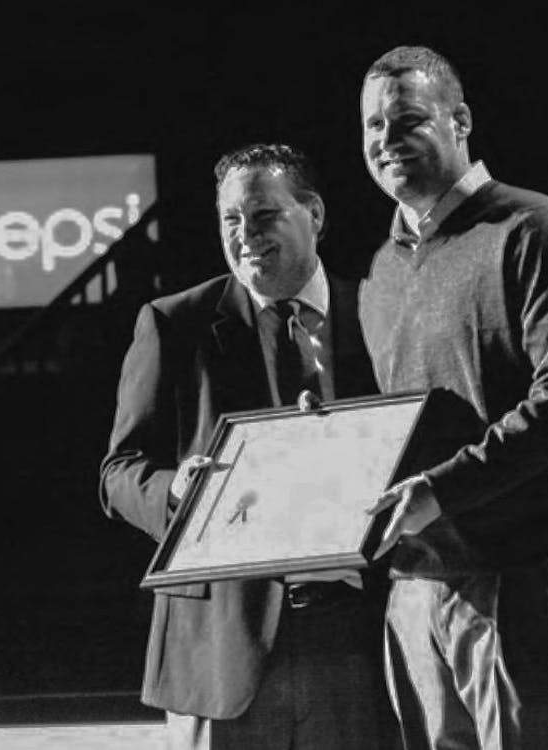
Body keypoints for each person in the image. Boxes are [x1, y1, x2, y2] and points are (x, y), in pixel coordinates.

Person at [358, 46, 548, 749]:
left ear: (460, 119)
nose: (387, 140)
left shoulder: (533, 230)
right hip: (418, 587)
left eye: (407, 120)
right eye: (373, 127)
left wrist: (437, 492)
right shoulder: (380, 271)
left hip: (529, 579)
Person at [100, 143, 396, 749]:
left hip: (355, 640)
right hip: (218, 646)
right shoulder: (173, 323)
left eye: (262, 216)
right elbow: (117, 473)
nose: (244, 235)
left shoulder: (377, 312)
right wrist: (176, 494)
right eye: (230, 221)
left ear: (313, 213)